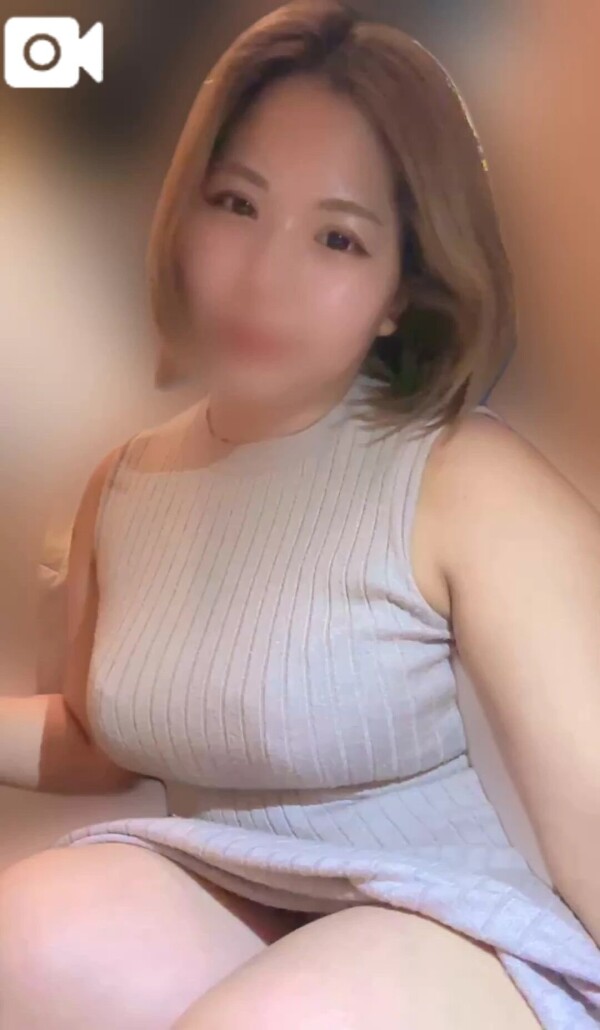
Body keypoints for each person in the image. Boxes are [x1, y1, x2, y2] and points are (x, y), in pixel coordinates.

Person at [1, 2, 599, 1027]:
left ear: (400, 291)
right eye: (237, 204)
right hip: (232, 882)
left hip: (448, 916)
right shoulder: (127, 483)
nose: (265, 274)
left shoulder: (464, 477)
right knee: (23, 940)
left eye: (336, 237)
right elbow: (100, 739)